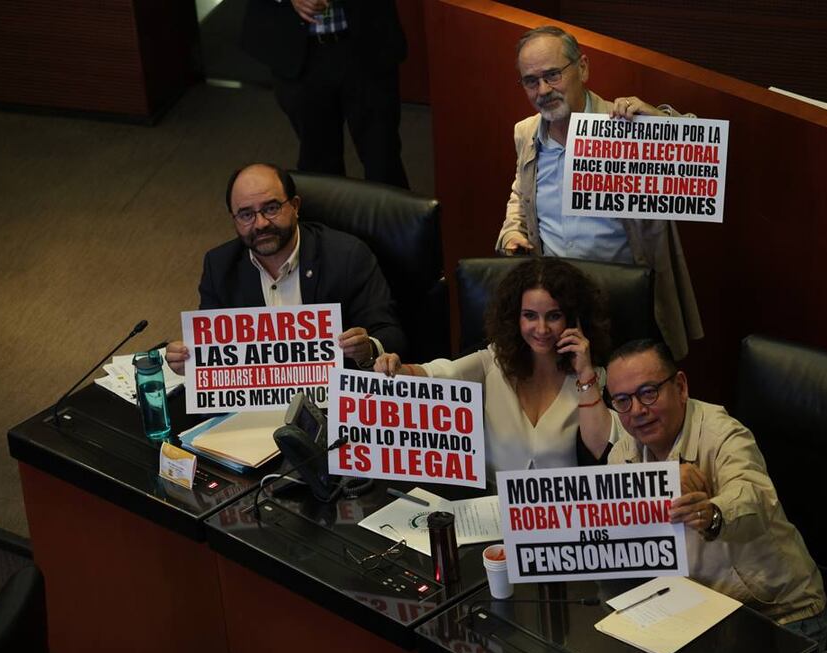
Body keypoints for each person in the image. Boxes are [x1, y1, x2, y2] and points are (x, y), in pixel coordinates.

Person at [590, 338, 827, 644]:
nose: (636, 411)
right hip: (699, 613)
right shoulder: (623, 452)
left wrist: (712, 515)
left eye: (648, 393)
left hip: (780, 617)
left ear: (680, 386)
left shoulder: (724, 434)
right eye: (622, 400)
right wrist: (664, 477)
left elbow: (752, 494)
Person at [497, 26, 703, 360]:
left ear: (583, 68)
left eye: (552, 75)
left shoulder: (625, 125)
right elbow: (521, 195)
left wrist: (658, 121)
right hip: (557, 302)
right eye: (531, 81)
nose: (543, 90)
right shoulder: (527, 132)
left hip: (624, 294)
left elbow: (695, 156)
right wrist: (512, 232)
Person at [374, 258, 611, 478]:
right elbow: (441, 373)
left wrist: (585, 374)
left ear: (573, 319)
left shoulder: (592, 378)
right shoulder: (494, 360)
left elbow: (603, 448)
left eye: (553, 316)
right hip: (490, 508)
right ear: (515, 317)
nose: (541, 329)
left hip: (558, 513)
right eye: (530, 316)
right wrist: (397, 369)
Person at [165, 163, 404, 374]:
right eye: (246, 214)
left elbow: (390, 334)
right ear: (234, 219)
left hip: (334, 403)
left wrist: (368, 348)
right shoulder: (219, 266)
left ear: (295, 206)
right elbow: (211, 348)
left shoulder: (347, 256)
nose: (260, 224)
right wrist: (190, 360)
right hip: (255, 407)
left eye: (271, 208)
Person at [239, 0, 409, 187]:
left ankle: (392, 215)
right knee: (318, 164)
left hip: (368, 42)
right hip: (299, 53)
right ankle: (327, 216)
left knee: (383, 157)